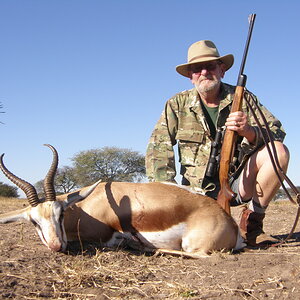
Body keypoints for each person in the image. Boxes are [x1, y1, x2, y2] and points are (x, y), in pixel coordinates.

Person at [145, 40, 290, 247]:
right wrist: (166, 193)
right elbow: (158, 148)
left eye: (210, 66)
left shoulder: (243, 98)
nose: (204, 72)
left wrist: (249, 132)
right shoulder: (176, 104)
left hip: (237, 184)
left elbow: (277, 131)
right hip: (194, 194)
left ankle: (253, 227)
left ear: (222, 70)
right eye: (197, 68)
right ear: (190, 76)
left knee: (279, 152)